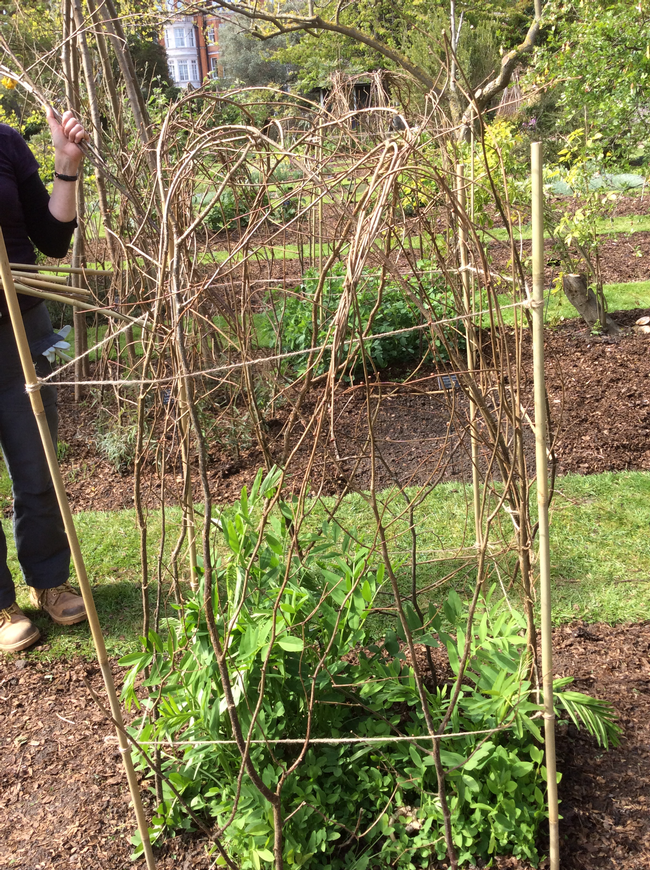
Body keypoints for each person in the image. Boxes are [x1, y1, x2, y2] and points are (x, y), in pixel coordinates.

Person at [0, 108, 89, 652]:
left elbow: (52, 241)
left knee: (38, 464)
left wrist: (66, 162)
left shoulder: (5, 143)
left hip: (22, 328)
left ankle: (48, 581)